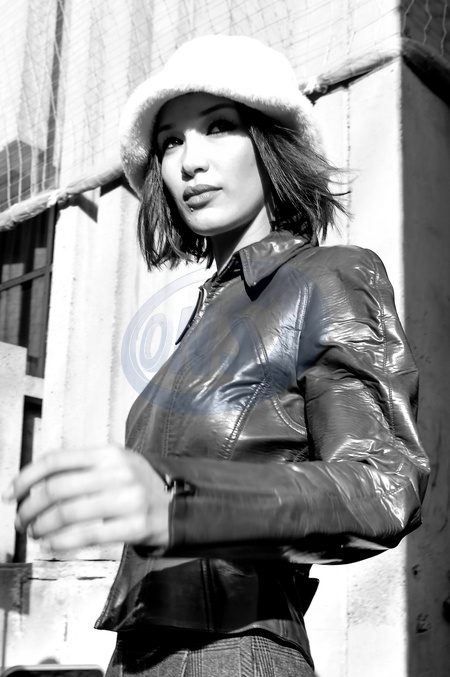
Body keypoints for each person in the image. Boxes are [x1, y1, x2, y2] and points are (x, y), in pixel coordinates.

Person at [4, 35, 429, 676]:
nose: (189, 162)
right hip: (137, 655)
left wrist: (184, 498)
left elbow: (385, 483)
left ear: (271, 143)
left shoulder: (329, 277)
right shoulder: (203, 320)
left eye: (219, 127)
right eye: (170, 141)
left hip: (231, 652)